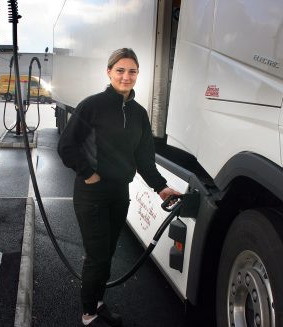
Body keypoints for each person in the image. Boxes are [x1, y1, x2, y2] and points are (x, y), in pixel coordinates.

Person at [57, 48, 180, 327]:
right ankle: (88, 314)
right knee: (98, 254)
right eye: (120, 70)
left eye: (132, 71)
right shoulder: (92, 105)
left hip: (119, 193)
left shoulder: (138, 114)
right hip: (91, 193)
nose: (126, 76)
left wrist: (161, 187)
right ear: (109, 72)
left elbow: (144, 158)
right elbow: (66, 146)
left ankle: (98, 303)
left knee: (108, 252)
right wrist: (88, 173)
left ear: (138, 74)